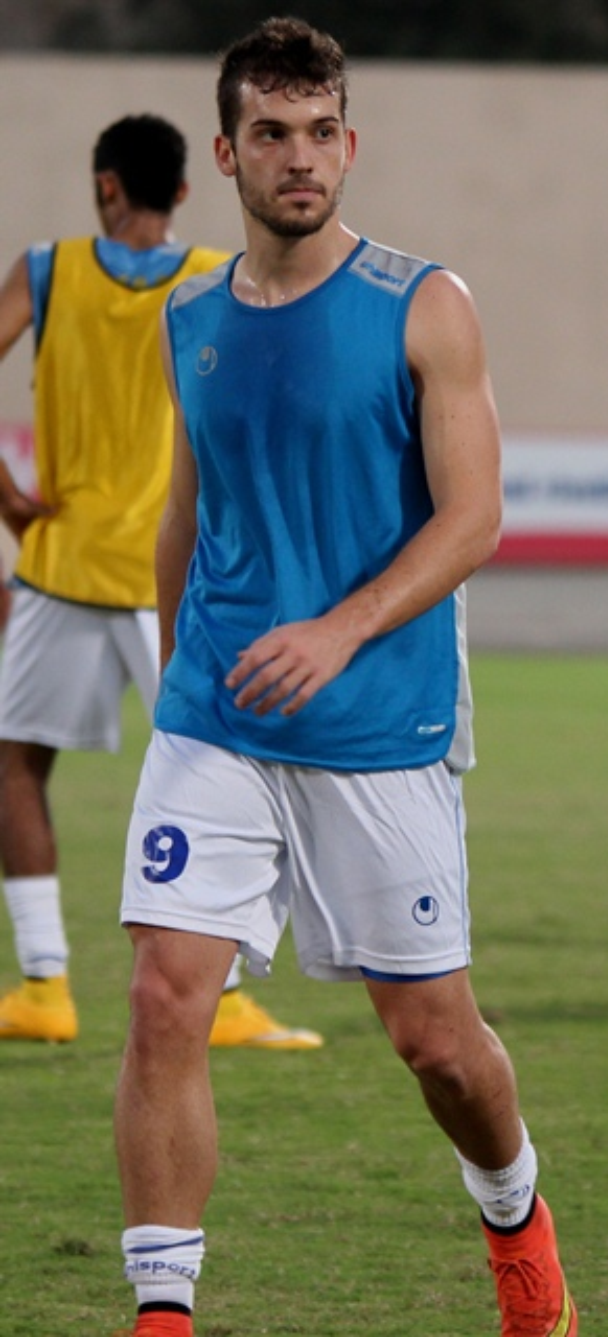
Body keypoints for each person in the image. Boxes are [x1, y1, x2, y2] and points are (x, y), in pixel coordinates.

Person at [112, 20, 577, 1337]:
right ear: (225, 153)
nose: (299, 157)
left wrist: (337, 628)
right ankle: (160, 1313)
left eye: (320, 132)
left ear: (348, 144)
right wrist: (172, 684)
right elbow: (182, 519)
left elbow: (472, 517)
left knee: (433, 1041)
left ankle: (511, 1210)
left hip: (378, 723)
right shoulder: (188, 316)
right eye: (271, 132)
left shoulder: (423, 304)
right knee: (162, 995)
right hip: (215, 715)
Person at [0, 112, 322, 1051]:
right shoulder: (218, 282)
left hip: (63, 560)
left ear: (106, 186)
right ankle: (225, 1001)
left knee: (17, 765)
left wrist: (6, 495)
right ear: (186, 189)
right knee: (238, 767)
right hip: (184, 575)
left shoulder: (48, 272)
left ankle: (45, 985)